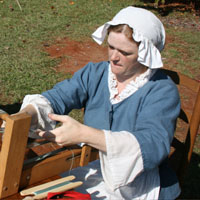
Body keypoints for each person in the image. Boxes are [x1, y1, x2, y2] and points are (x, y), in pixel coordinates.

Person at [6, 6, 181, 199]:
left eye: (125, 52)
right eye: (111, 47)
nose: (113, 57)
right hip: (90, 167)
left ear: (145, 54)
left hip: (136, 184)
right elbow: (59, 96)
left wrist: (84, 134)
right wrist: (27, 115)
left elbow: (152, 146)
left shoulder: (161, 91)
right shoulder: (96, 73)